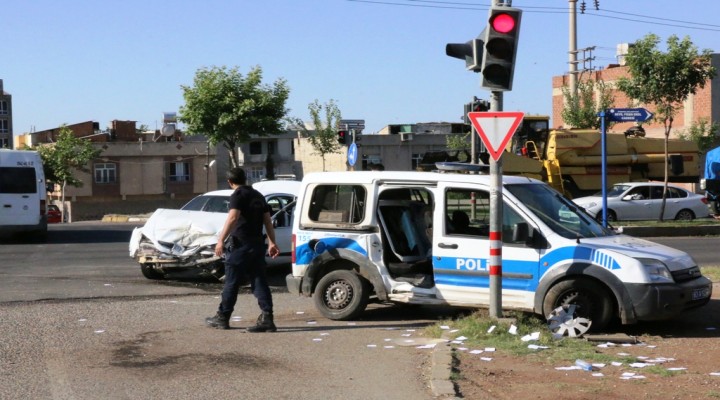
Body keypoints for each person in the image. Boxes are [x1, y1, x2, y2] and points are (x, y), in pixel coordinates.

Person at [205, 168, 280, 332]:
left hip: (241, 245)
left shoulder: (238, 195)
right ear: (245, 179)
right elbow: (267, 221)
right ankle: (268, 318)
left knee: (231, 282)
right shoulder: (258, 196)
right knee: (259, 280)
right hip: (257, 245)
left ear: (230, 182)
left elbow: (233, 217)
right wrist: (272, 242)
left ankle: (222, 317)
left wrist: (220, 241)